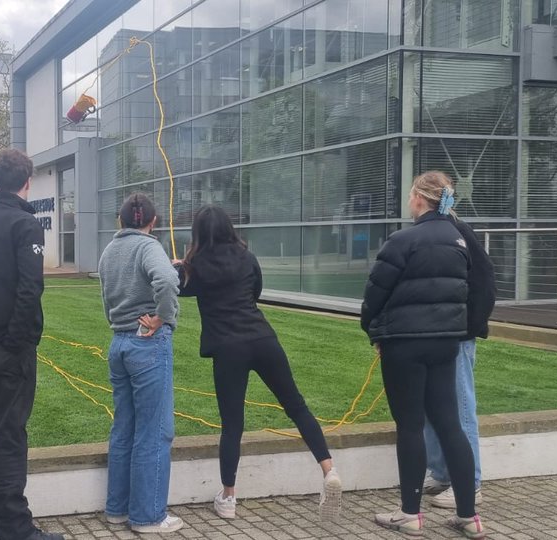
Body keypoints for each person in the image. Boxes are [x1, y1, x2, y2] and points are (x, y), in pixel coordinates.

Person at [173, 205, 342, 521]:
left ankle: (228, 497)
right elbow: (256, 291)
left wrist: (180, 265)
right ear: (229, 228)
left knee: (232, 425)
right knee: (297, 406)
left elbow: (179, 289)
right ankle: (329, 469)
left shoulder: (197, 265)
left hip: (228, 349)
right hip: (263, 340)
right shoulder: (246, 257)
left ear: (198, 233)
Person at [361, 173, 487, 538]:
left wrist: (372, 329)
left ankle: (410, 513)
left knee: (411, 425)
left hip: (405, 345)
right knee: (450, 423)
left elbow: (376, 292)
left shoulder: (403, 240)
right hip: (446, 342)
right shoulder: (460, 239)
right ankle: (469, 515)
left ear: (418, 198)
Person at [0, 149, 63, 540]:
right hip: (9, 349)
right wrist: (16, 342)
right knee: (7, 434)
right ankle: (15, 528)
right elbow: (30, 288)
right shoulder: (26, 226)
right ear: (27, 182)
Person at [98, 193, 183, 534]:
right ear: (153, 221)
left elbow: (107, 294)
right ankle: (148, 516)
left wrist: (120, 323)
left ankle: (117, 510)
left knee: (125, 428)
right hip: (147, 344)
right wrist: (164, 318)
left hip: (119, 342)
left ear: (120, 220)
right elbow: (167, 280)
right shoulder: (149, 247)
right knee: (154, 431)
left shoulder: (109, 251)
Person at [420, 172, 496, 510]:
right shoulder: (441, 233)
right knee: (431, 404)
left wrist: (468, 328)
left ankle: (471, 483)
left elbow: (484, 284)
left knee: (461, 408)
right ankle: (441, 472)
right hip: (435, 334)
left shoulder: (458, 234)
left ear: (423, 198)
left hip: (457, 335)